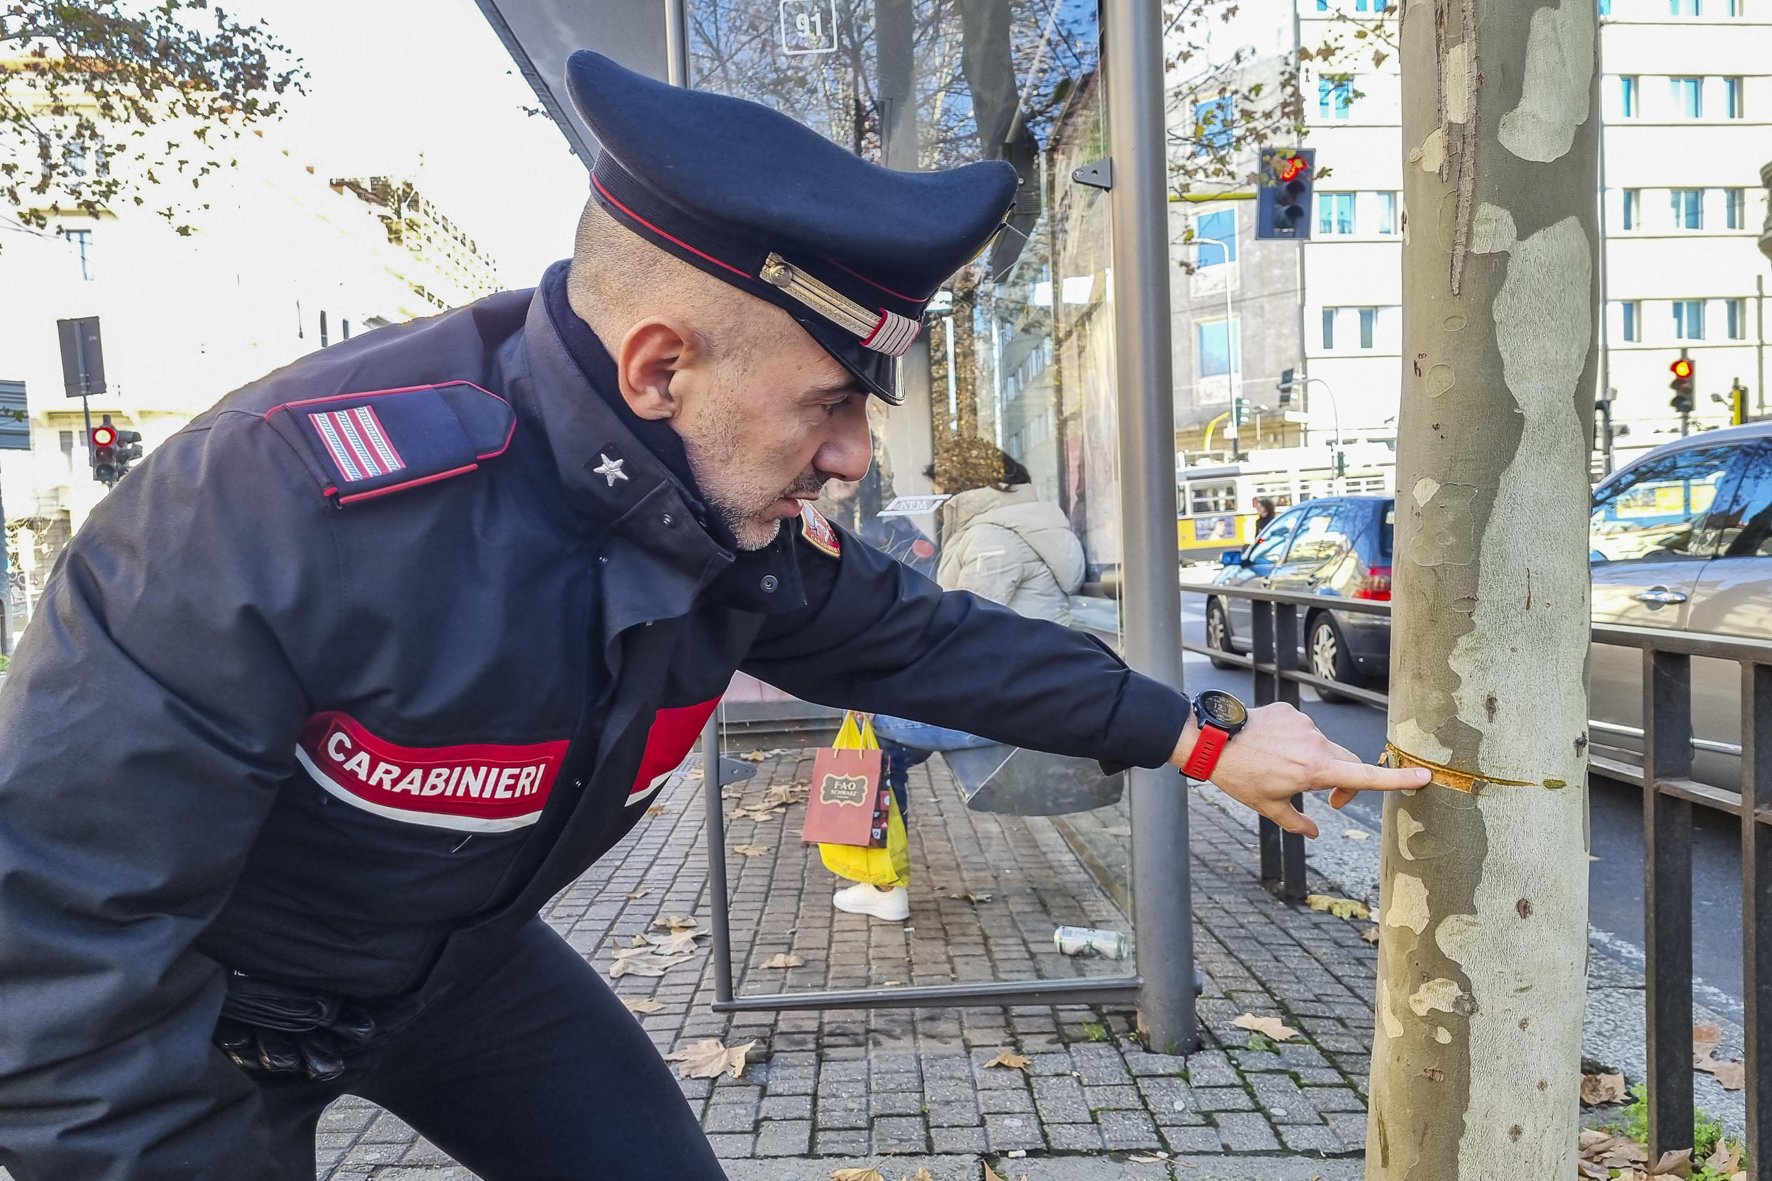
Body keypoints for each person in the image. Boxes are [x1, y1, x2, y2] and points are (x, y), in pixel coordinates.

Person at [0, 50, 1428, 1181]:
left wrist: (1204, 738)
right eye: (830, 400)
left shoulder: (707, 511)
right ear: (659, 365)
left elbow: (933, 642)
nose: (857, 454)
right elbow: (61, 960)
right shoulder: (270, 512)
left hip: (459, 971)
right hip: (200, 1024)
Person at [836, 439, 1086, 921]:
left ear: (963, 488)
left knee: (872, 734)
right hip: (1021, 685)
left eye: (940, 489)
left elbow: (963, 631)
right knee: (883, 737)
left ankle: (884, 889)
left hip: (1004, 698)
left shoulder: (992, 537)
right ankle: (882, 886)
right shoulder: (1032, 522)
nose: (937, 500)